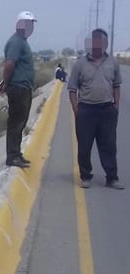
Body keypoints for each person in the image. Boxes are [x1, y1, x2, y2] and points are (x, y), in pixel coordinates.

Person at [67, 28, 124, 189]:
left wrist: (116, 106)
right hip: (86, 110)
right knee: (84, 146)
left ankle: (112, 178)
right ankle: (86, 176)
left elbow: (116, 86)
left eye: (101, 41)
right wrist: (76, 109)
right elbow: (72, 89)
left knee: (109, 146)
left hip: (107, 110)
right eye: (95, 40)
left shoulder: (113, 62)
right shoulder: (80, 64)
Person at [0, 11, 37, 168]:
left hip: (24, 88)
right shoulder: (16, 42)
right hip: (18, 88)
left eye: (31, 24)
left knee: (20, 122)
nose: (30, 27)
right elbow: (9, 64)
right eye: (27, 23)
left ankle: (16, 153)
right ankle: (12, 156)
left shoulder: (22, 41)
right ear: (19, 25)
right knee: (16, 122)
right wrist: (6, 83)